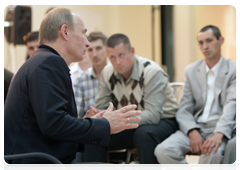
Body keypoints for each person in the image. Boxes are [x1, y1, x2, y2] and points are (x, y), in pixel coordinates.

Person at [4, 7, 142, 170]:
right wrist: (105, 125)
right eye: (83, 33)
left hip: (39, 159)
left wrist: (86, 123)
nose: (87, 42)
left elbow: (51, 124)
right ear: (65, 31)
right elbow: (54, 125)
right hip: (36, 163)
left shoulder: (43, 61)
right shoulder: (48, 64)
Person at [83, 33, 179, 170]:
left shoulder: (151, 72)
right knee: (96, 133)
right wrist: (101, 114)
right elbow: (101, 106)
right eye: (112, 58)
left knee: (144, 134)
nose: (117, 62)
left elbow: (153, 115)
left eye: (121, 55)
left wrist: (119, 119)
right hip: (131, 122)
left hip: (164, 121)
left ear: (132, 51)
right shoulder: (107, 73)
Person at [154, 25, 238, 170]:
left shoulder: (234, 70)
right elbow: (184, 108)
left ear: (221, 40)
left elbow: (231, 104)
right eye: (201, 42)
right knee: (163, 150)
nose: (205, 46)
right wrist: (192, 131)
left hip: (219, 128)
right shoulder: (191, 70)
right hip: (197, 126)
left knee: (212, 154)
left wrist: (219, 134)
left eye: (209, 40)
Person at [73, 31, 108, 118]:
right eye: (90, 50)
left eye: (98, 48)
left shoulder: (117, 75)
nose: (94, 54)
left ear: (107, 49)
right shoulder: (81, 80)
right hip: (92, 127)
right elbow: (77, 116)